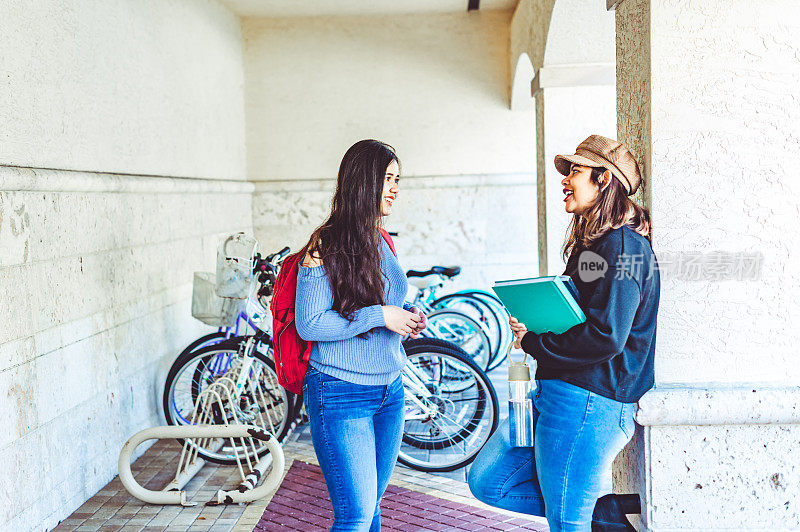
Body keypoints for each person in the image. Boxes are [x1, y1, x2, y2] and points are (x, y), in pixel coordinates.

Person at [467, 135, 660, 532]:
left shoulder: (624, 248)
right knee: (489, 480)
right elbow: (579, 310)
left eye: (575, 171)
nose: (565, 181)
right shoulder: (595, 246)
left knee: (566, 522)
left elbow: (607, 335)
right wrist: (536, 319)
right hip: (561, 392)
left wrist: (535, 342)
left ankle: (587, 511)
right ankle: (597, 511)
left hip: (591, 401)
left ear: (604, 180)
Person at [295, 139, 427, 532]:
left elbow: (384, 308)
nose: (394, 188)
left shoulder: (381, 239)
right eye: (387, 178)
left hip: (390, 389)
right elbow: (311, 324)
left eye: (397, 179)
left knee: (370, 511)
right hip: (339, 391)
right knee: (354, 516)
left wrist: (404, 319)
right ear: (362, 181)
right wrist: (379, 315)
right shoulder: (325, 243)